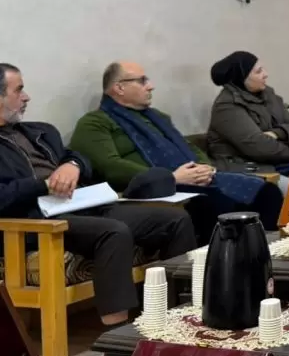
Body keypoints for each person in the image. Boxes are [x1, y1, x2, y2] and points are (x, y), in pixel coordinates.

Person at [0, 63, 196, 325]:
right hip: (37, 220)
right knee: (113, 232)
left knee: (175, 220)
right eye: (19, 90)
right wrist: (45, 184)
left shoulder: (40, 131)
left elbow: (79, 158)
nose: (26, 97)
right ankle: (117, 334)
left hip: (81, 204)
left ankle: (178, 313)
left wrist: (72, 165)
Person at [69, 62, 284, 237]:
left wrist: (204, 168)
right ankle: (220, 269)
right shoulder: (94, 123)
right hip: (148, 190)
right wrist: (171, 177)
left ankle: (264, 259)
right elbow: (110, 167)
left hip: (191, 179)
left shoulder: (158, 117)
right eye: (142, 81)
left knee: (267, 192)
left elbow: (189, 147)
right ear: (119, 87)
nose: (150, 86)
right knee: (215, 202)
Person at [206, 51, 289, 189]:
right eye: (258, 71)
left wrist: (277, 133)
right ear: (241, 78)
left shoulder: (267, 95)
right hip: (251, 171)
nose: (266, 74)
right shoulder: (227, 106)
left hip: (280, 163)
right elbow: (260, 147)